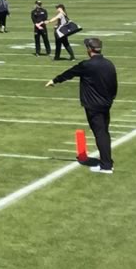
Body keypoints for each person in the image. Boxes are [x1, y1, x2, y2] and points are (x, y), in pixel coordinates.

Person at [46, 37, 118, 174]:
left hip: (93, 105)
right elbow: (114, 84)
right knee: (104, 132)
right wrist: (111, 99)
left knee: (100, 133)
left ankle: (106, 165)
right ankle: (107, 161)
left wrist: (55, 80)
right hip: (105, 104)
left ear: (89, 50)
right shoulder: (109, 64)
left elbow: (70, 73)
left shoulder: (87, 65)